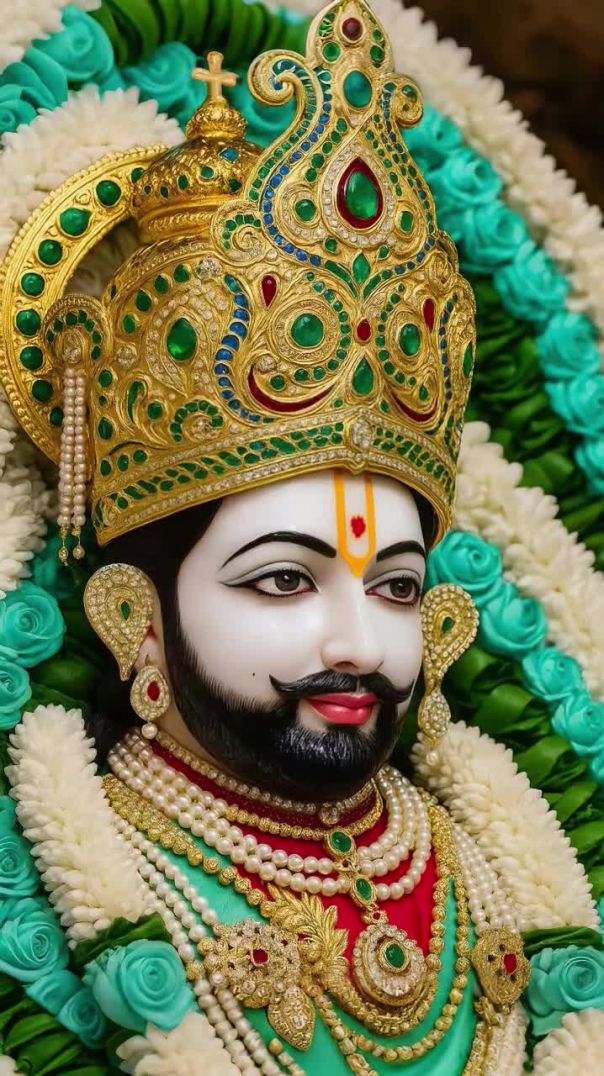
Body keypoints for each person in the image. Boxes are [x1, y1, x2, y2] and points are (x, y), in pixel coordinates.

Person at [0, 1, 552, 1071]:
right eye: (285, 579)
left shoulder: (493, 865)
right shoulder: (83, 886)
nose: (358, 641)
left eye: (397, 586)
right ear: (134, 615)